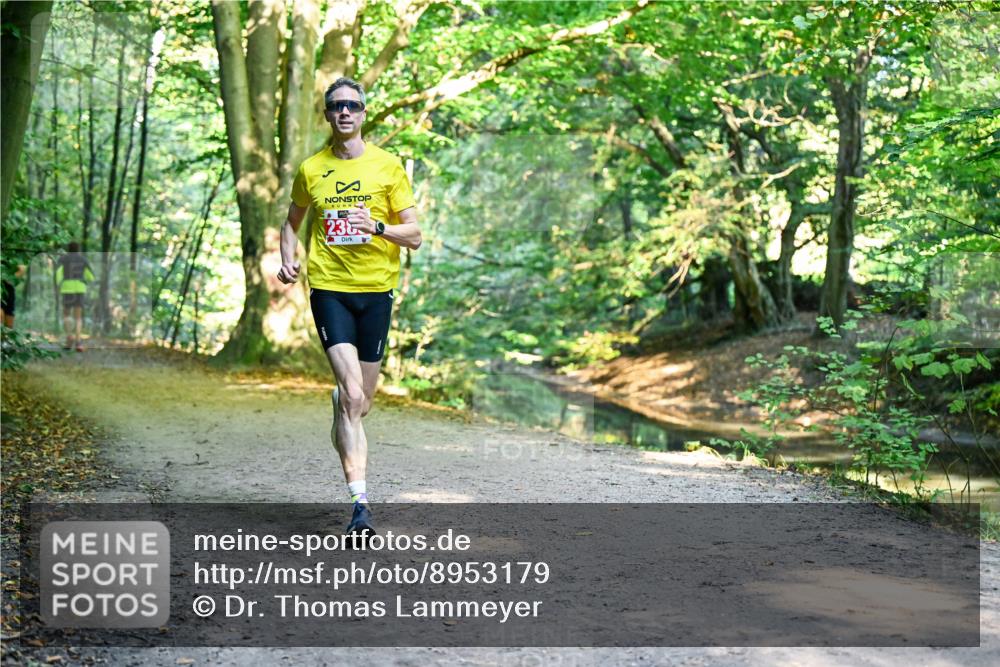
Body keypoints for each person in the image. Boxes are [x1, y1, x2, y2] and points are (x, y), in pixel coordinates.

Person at [277, 77, 422, 535]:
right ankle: (360, 504)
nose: (344, 112)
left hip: (376, 290)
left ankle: (343, 401)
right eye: (336, 106)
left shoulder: (387, 166)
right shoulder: (311, 169)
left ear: (363, 113)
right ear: (327, 114)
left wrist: (377, 226)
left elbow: (415, 236)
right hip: (330, 288)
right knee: (354, 396)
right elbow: (291, 222)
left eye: (352, 106)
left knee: (361, 403)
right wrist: (288, 258)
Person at [56, 242, 94, 352]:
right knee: (78, 317)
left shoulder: (63, 259)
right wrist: (84, 280)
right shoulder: (83, 260)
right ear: (78, 249)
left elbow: (58, 275)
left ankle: (69, 338)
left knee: (66, 314)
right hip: (79, 289)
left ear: (68, 249)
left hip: (67, 289)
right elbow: (91, 277)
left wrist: (59, 285)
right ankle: (78, 342)